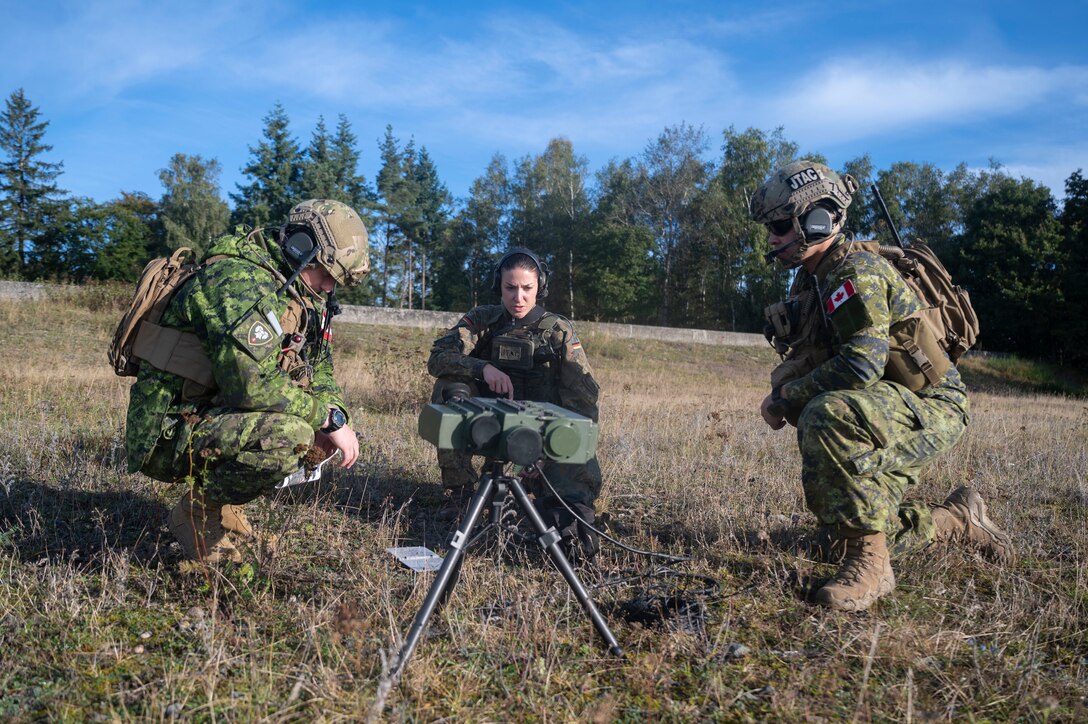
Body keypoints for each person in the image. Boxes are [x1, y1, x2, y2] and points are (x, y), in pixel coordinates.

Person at [750, 160, 1013, 611]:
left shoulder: (856, 274)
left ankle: (872, 567)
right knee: (837, 541)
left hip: (931, 404)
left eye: (778, 225)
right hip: (892, 402)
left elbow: (861, 366)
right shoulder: (814, 280)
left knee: (826, 414)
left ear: (817, 221)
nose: (772, 237)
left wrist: (785, 398)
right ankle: (958, 521)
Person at [125, 199, 370, 563]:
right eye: (328, 275)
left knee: (318, 430)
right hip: (171, 427)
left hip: (215, 412)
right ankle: (195, 514)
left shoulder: (302, 291)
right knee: (291, 436)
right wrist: (324, 418)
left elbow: (320, 367)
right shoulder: (237, 281)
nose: (331, 288)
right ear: (303, 250)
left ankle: (224, 502)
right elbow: (249, 384)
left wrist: (335, 412)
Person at [426, 248, 603, 559]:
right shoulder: (483, 320)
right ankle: (461, 493)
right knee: (449, 387)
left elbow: (583, 403)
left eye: (527, 288)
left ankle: (553, 510)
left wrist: (550, 451)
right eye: (510, 288)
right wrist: (482, 368)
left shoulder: (558, 331)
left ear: (540, 287)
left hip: (543, 431)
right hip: (487, 426)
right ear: (499, 286)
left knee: (573, 498)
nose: (518, 297)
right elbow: (438, 358)